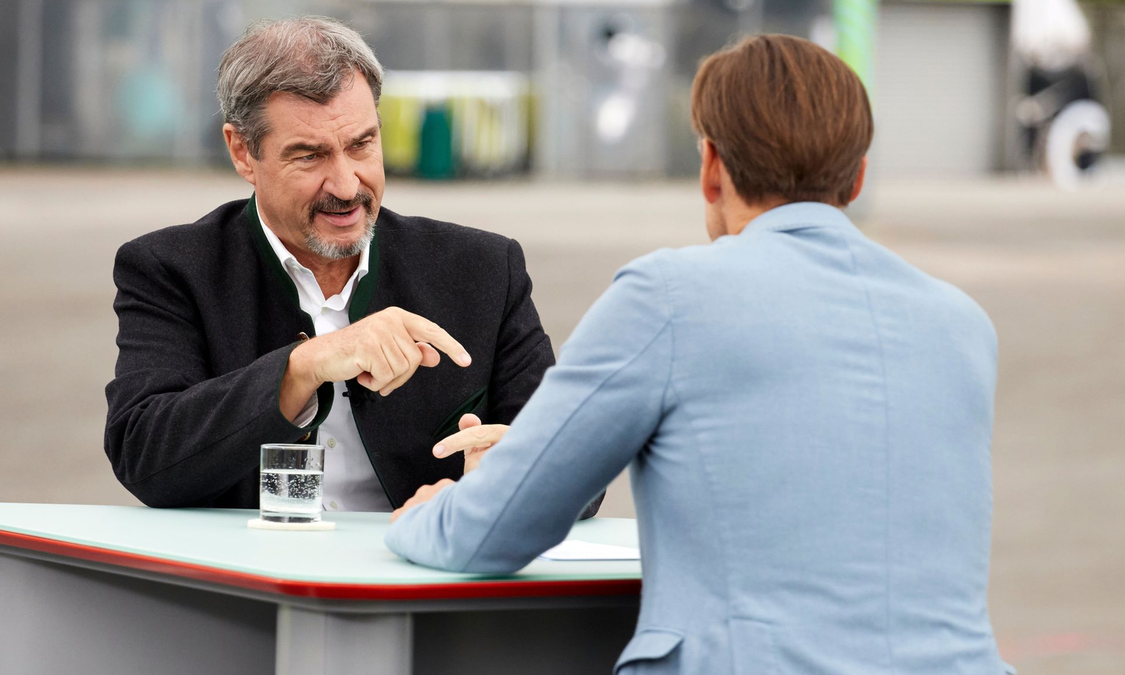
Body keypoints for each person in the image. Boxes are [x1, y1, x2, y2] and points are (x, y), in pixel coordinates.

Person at [386, 35, 1014, 675]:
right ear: (856, 177)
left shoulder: (668, 299)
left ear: (712, 167)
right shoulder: (962, 324)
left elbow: (498, 528)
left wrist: (427, 515)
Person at [104, 16, 603, 516]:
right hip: (249, 582)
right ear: (243, 152)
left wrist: (512, 481)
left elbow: (581, 470)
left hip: (422, 579)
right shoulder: (170, 268)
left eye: (362, 144)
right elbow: (145, 457)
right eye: (309, 156)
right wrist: (303, 368)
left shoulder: (483, 269)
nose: (346, 186)